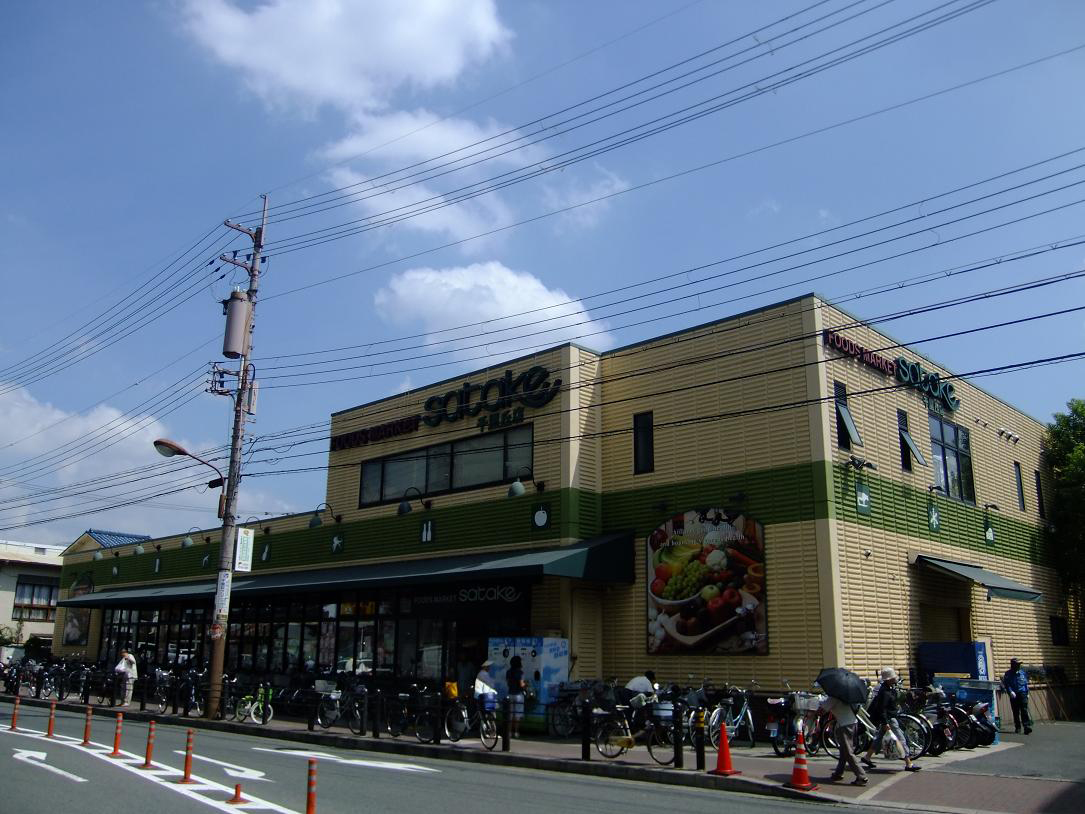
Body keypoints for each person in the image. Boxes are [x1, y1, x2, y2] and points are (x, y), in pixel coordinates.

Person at [862, 667, 921, 773]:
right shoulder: (885, 692)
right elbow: (882, 709)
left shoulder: (888, 688)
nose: (895, 678)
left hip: (888, 718)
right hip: (889, 719)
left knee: (879, 737)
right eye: (893, 677)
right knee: (901, 738)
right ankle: (908, 763)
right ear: (889, 679)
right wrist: (885, 722)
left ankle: (867, 757)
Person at [822, 694, 867, 785]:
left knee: (847, 752)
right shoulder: (845, 695)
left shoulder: (834, 697)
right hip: (853, 722)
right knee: (843, 751)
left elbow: (823, 708)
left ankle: (861, 776)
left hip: (844, 725)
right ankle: (838, 773)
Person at [1002, 658, 1032, 735]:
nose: (1019, 666)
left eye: (1019, 664)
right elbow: (1007, 684)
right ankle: (1018, 727)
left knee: (1024, 710)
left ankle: (1026, 726)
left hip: (1022, 693)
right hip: (1014, 694)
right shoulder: (1008, 674)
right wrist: (1010, 691)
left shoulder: (1022, 673)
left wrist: (1027, 692)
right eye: (1017, 664)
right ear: (1013, 665)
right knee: (1016, 711)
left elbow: (1025, 683)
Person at [505, 655, 526, 738]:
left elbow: (508, 683)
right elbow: (521, 684)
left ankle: (509, 732)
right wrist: (526, 684)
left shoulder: (508, 672)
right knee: (517, 715)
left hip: (510, 694)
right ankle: (516, 732)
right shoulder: (520, 672)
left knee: (509, 715)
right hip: (518, 695)